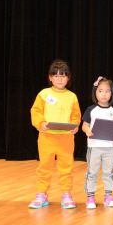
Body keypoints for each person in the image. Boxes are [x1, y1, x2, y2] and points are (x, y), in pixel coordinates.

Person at [29, 60, 81, 209]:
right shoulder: (44, 94)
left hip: (66, 138)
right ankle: (42, 193)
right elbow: (36, 111)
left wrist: (74, 126)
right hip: (47, 137)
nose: (59, 78)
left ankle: (66, 194)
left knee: (66, 166)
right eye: (56, 75)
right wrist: (41, 123)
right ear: (50, 77)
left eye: (63, 76)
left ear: (68, 78)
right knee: (45, 166)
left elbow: (76, 115)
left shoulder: (72, 96)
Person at [82, 77, 113, 208]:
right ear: (95, 92)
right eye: (100, 91)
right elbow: (84, 125)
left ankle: (108, 195)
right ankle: (90, 197)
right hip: (94, 147)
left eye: (107, 91)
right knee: (92, 172)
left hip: (110, 147)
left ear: (112, 93)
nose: (104, 94)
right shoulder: (91, 109)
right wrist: (87, 130)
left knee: (108, 172)